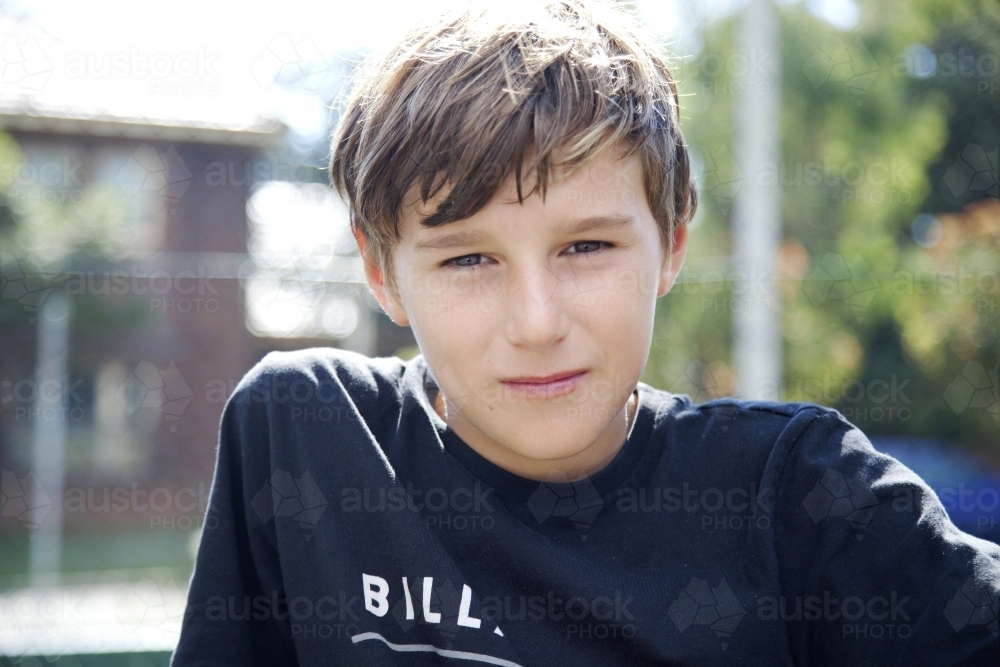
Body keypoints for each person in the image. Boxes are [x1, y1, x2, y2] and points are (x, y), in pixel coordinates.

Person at [170, 1, 1000, 664]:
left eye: (587, 246)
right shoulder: (307, 431)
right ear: (383, 272)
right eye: (467, 260)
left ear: (672, 240)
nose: (536, 323)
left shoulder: (799, 497)